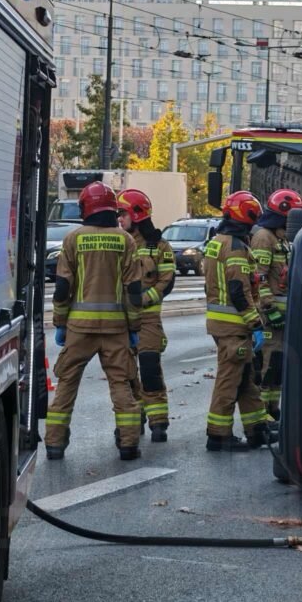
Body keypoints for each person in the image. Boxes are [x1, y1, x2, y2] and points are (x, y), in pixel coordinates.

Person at [46, 182, 144, 461]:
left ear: (85, 208)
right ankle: (128, 444)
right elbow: (133, 290)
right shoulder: (125, 240)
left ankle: (54, 444)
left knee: (67, 384)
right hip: (116, 329)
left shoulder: (73, 239)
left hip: (79, 329)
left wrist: (60, 322)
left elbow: (63, 288)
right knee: (121, 384)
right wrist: (134, 327)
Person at [204, 191, 269, 451]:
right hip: (234, 325)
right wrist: (256, 324)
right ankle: (218, 436)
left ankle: (257, 430)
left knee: (246, 378)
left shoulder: (217, 241)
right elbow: (238, 291)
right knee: (229, 380)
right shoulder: (236, 247)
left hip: (224, 324)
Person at [117, 189, 176, 443]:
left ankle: (158, 422)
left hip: (149, 321)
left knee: (150, 369)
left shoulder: (159, 246)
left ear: (137, 214)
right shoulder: (119, 243)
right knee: (126, 374)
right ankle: (133, 420)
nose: (119, 219)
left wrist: (145, 298)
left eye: (123, 214)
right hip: (121, 321)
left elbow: (167, 281)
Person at [251, 188, 302, 429]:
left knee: (278, 364)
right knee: (267, 364)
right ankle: (262, 414)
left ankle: (273, 409)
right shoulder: (264, 237)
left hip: (284, 314)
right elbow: (259, 277)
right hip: (270, 314)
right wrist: (269, 307)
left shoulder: (282, 239)